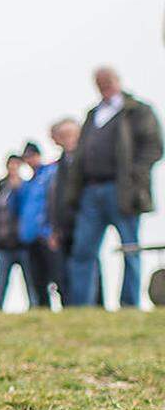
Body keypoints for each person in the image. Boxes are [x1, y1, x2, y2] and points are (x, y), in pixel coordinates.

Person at [64, 67, 162, 308]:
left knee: (130, 246)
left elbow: (154, 146)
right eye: (99, 82)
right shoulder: (93, 115)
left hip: (122, 191)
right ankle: (81, 306)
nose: (104, 85)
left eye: (107, 80)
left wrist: (134, 176)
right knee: (83, 251)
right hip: (91, 191)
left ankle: (129, 303)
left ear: (118, 80)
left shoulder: (137, 111)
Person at [12, 143, 62, 308]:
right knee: (37, 280)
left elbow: (52, 203)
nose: (30, 160)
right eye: (27, 157)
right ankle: (42, 309)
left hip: (46, 235)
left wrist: (52, 230)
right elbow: (18, 209)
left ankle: (67, 307)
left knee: (57, 276)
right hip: (29, 237)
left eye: (32, 156)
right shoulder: (26, 184)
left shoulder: (50, 173)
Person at [0, 156, 30, 310]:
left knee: (30, 282)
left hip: (23, 244)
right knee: (0, 284)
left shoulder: (27, 189)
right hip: (3, 245)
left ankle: (34, 307)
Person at [47, 118, 81, 303]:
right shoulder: (59, 167)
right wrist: (54, 228)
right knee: (63, 270)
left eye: (71, 135)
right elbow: (54, 201)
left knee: (84, 264)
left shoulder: (84, 162)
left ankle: (90, 304)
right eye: (63, 136)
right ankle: (70, 305)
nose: (68, 140)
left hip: (82, 222)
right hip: (62, 226)